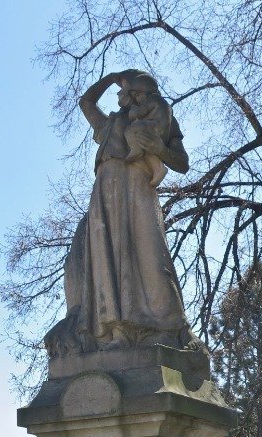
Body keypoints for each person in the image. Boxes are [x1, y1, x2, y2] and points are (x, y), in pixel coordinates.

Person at [45, 69, 201, 359]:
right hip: (106, 190)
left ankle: (169, 328)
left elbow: (182, 162)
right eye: (132, 94)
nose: (133, 99)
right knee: (108, 261)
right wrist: (111, 77)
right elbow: (86, 102)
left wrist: (158, 149)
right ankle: (116, 331)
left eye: (140, 94)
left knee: (150, 256)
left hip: (138, 187)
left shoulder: (161, 118)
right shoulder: (110, 125)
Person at [124, 80, 172, 187]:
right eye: (135, 96)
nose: (137, 99)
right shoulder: (161, 102)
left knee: (129, 130)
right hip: (157, 128)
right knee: (146, 148)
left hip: (154, 126)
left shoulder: (153, 98)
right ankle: (158, 169)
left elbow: (141, 112)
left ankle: (135, 149)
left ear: (147, 92)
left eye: (139, 95)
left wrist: (133, 111)